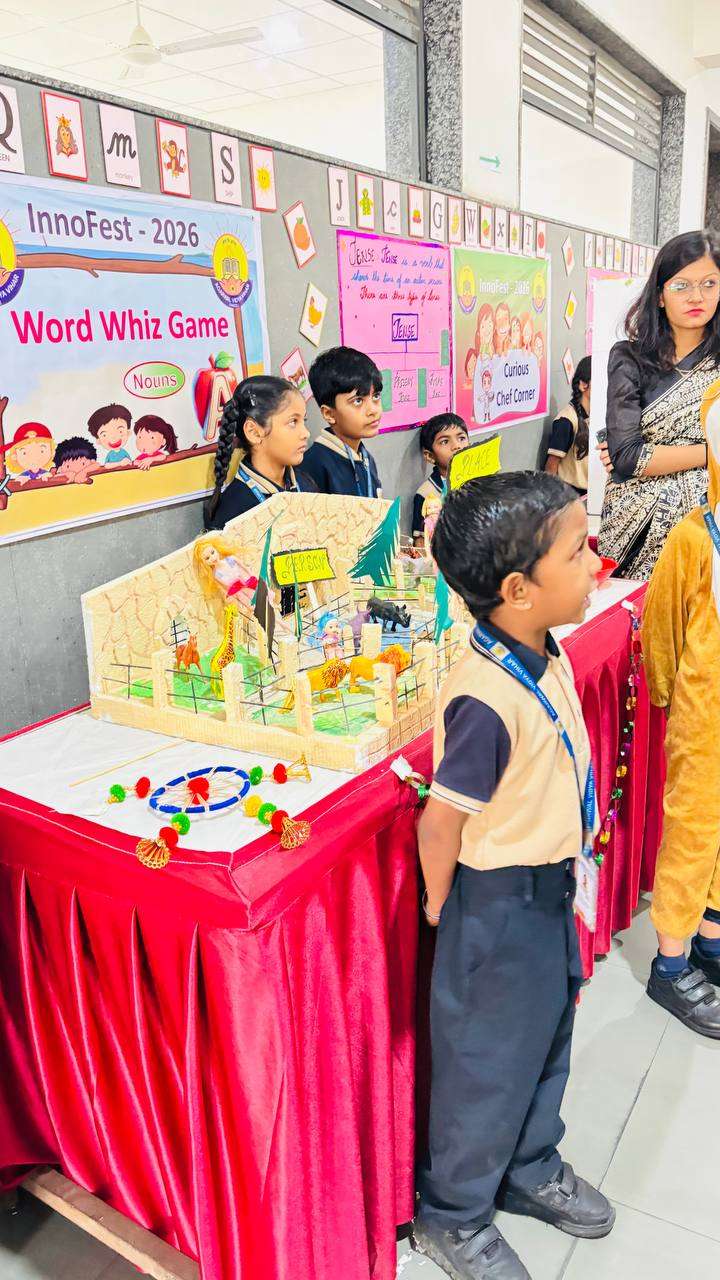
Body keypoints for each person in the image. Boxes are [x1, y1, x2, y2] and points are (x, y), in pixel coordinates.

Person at [412, 472, 613, 1280]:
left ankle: (529, 1165)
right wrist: (440, 904)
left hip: (549, 888)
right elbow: (440, 822)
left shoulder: (541, 648)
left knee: (547, 1034)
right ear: (519, 590)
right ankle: (453, 1214)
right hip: (497, 907)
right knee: (486, 1064)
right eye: (578, 551)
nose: (596, 562)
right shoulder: (486, 699)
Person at [640, 379, 720, 1037]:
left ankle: (712, 940)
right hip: (705, 719)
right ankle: (670, 963)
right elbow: (660, 629)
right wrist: (669, 698)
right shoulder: (693, 538)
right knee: (692, 831)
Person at [598, 230, 720, 579]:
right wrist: (712, 452)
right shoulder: (629, 357)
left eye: (709, 284)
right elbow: (628, 457)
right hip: (632, 533)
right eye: (681, 285)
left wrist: (658, 455)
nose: (696, 296)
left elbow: (633, 456)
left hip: (709, 527)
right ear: (661, 295)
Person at [204, 375, 313, 530]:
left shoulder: (306, 483)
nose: (306, 433)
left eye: (304, 421)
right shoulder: (234, 513)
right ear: (254, 432)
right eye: (293, 422)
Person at [303, 347, 382, 498]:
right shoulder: (313, 466)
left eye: (376, 396)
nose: (373, 410)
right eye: (358, 401)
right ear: (329, 414)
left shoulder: (366, 458)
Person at [412, 413, 470, 544]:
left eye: (461, 438)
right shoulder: (426, 493)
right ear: (430, 456)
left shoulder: (480, 482)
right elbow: (420, 541)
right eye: (445, 441)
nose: (457, 446)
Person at [544, 356, 591, 495]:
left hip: (593, 492)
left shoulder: (600, 414)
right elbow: (551, 466)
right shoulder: (566, 420)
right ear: (583, 385)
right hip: (572, 496)